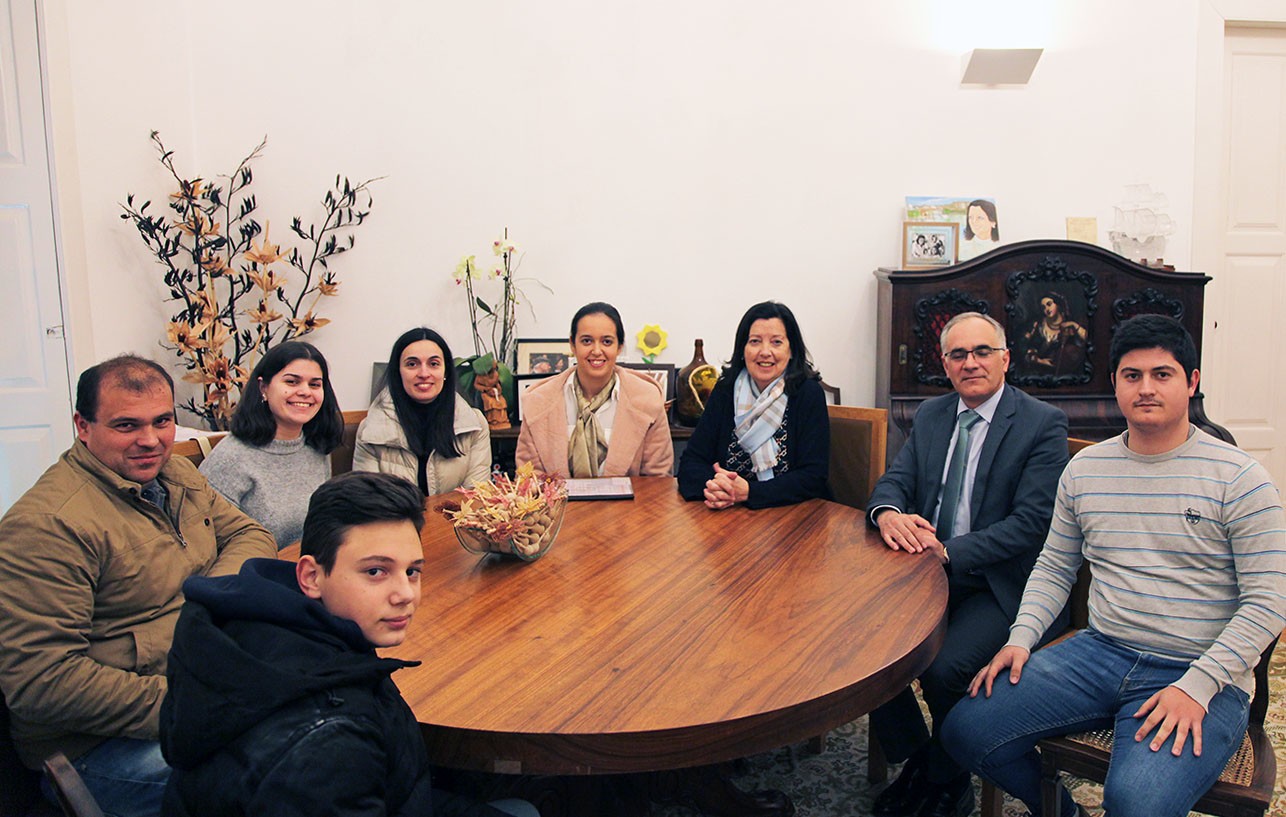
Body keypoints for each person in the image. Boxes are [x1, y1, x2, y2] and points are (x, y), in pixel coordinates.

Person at [942, 314, 1286, 817]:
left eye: (1162, 374)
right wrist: (1020, 639)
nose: (1146, 388)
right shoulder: (1085, 469)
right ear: (1115, 384)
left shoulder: (1241, 478)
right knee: (964, 731)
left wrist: (1197, 687)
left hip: (1199, 668)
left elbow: (1269, 601)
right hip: (1099, 651)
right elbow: (1055, 566)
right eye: (1132, 375)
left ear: (1191, 382)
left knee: (1134, 802)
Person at [159, 471, 538, 817]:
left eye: (412, 571)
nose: (405, 594)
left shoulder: (264, 629)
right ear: (311, 576)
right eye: (375, 571)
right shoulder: (328, 744)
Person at [0, 355, 276, 817]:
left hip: (197, 681)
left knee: (332, 731)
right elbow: (41, 682)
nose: (150, 440)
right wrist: (194, 702)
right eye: (126, 425)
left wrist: (207, 601)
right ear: (82, 426)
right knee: (284, 775)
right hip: (95, 749)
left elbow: (251, 534)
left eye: (162, 421)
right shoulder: (47, 526)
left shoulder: (177, 475)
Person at [864, 312, 1068, 817]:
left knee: (943, 668)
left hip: (999, 583)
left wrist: (951, 552)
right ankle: (922, 756)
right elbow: (895, 481)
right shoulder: (932, 415)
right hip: (925, 572)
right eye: (958, 354)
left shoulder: (1042, 423)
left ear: (1006, 359)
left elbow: (1032, 524)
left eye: (982, 352)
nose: (970, 362)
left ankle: (944, 777)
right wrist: (887, 513)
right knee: (857, 640)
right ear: (945, 364)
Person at [677, 301, 830, 509]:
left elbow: (813, 476)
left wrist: (749, 492)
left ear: (792, 350)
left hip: (793, 514)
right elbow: (691, 462)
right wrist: (717, 487)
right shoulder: (725, 390)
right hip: (729, 514)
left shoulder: (807, 394)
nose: (765, 352)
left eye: (776, 342)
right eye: (755, 341)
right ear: (743, 349)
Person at [200, 341, 344, 548]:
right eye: (292, 382)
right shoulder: (231, 457)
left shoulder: (316, 446)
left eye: (314, 384)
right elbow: (208, 543)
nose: (305, 392)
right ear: (263, 387)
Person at [517, 302, 673, 478]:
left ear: (619, 347)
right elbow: (529, 478)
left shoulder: (647, 399)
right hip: (556, 497)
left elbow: (657, 479)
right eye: (587, 341)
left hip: (632, 497)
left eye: (607, 342)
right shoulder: (538, 400)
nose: (597, 351)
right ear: (572, 345)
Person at [355, 327, 491, 494]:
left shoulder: (475, 425)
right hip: (393, 513)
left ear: (446, 371)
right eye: (412, 364)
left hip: (456, 512)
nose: (424, 373)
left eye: (434, 364)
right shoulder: (370, 430)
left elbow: (476, 495)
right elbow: (368, 499)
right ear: (398, 372)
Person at [1019, 291, 1087, 377]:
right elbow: (1022, 346)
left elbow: (1087, 340)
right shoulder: (1036, 325)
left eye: (1049, 304)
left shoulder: (1069, 324)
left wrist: (1074, 325)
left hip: (1065, 375)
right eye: (1043, 307)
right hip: (1038, 374)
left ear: (1057, 304)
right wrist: (1038, 360)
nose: (1047, 309)